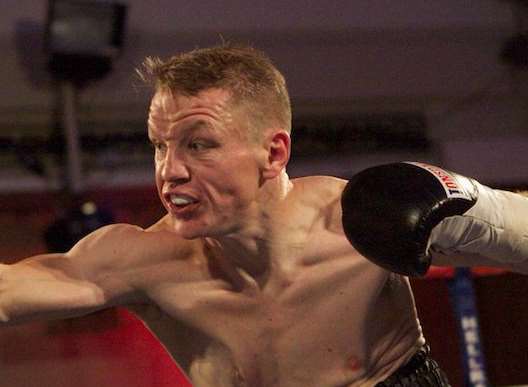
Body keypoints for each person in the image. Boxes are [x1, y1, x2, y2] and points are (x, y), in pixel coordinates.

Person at [1, 43, 527, 387]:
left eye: (198, 145)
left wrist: (481, 207)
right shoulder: (140, 261)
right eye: (160, 146)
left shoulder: (357, 224)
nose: (170, 171)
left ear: (274, 154)